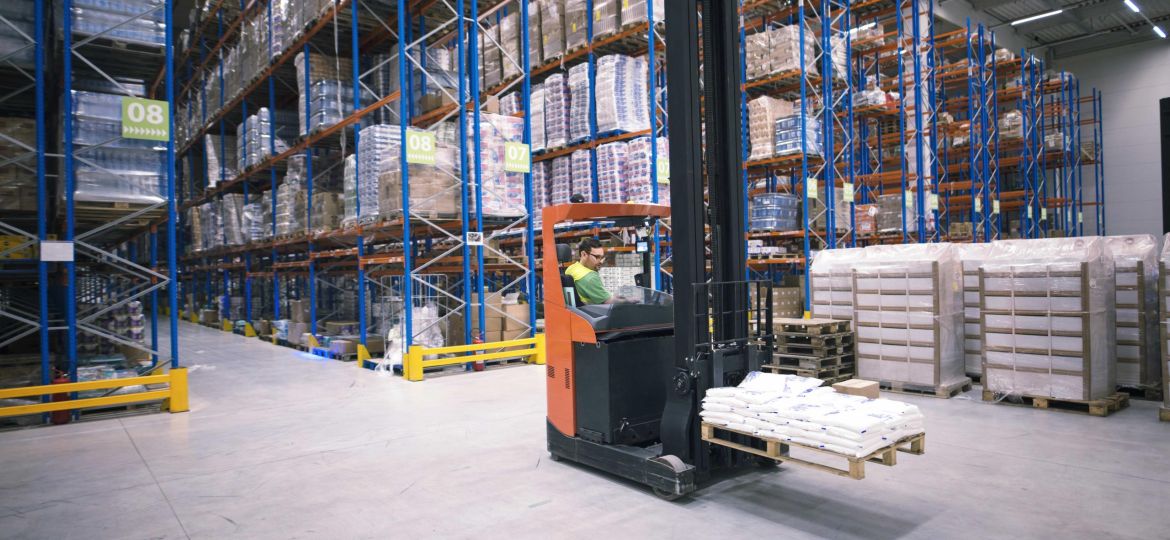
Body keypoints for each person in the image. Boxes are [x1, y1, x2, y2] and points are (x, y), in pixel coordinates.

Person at [564, 237, 614, 305]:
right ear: (584, 254)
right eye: (597, 257)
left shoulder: (571, 268)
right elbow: (609, 302)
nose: (601, 261)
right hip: (592, 313)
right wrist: (627, 299)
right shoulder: (590, 277)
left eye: (601, 257)